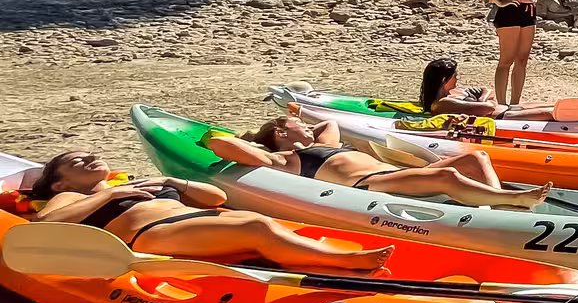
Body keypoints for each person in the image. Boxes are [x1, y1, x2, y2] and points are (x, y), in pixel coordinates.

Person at [26, 150, 395, 272]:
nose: (91, 157)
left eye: (91, 155)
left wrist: (176, 182)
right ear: (59, 183)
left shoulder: (138, 182)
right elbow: (45, 224)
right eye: (78, 161)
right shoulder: (68, 198)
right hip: (150, 236)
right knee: (255, 227)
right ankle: (346, 263)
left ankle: (314, 258)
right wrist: (110, 196)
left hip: (193, 218)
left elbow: (216, 198)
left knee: (263, 222)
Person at [214, 115, 549, 209]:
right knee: (446, 175)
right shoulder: (285, 159)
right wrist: (262, 140)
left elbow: (327, 124)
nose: (303, 125)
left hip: (396, 174)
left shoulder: (321, 143)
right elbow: (220, 143)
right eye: (293, 125)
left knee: (475, 157)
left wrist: (300, 128)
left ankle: (502, 211)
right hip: (369, 187)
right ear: (281, 133)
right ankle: (510, 200)